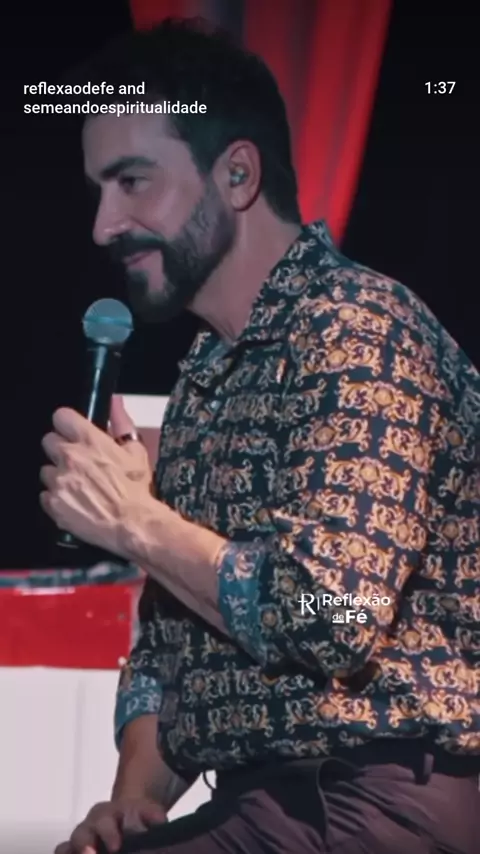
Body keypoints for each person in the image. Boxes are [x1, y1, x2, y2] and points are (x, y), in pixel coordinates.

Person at [40, 17, 480, 854]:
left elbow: (338, 612)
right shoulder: (209, 378)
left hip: (371, 804)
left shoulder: (357, 331)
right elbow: (170, 650)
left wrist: (137, 522)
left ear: (237, 175)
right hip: (265, 809)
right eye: (99, 190)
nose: (104, 223)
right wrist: (132, 803)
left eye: (132, 182)